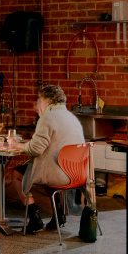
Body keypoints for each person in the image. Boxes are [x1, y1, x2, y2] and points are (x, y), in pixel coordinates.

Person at [7, 85, 85, 234]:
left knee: (17, 174)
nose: (37, 106)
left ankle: (34, 217)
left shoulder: (47, 118)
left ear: (47, 102)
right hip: (76, 173)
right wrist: (29, 143)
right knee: (47, 171)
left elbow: (36, 149)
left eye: (40, 101)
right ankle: (59, 215)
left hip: (59, 174)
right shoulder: (71, 117)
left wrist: (16, 145)